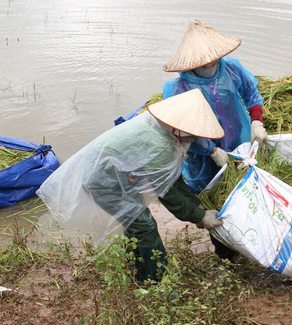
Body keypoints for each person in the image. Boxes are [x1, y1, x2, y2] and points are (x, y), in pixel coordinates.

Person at [37, 88, 226, 283]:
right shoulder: (160, 144)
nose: (194, 139)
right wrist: (200, 216)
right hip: (104, 182)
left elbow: (170, 178)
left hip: (120, 175)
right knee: (144, 227)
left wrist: (195, 207)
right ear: (180, 128)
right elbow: (167, 192)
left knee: (135, 226)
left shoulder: (157, 126)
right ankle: (158, 283)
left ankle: (139, 275)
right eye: (193, 135)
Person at [162, 20, 266, 261]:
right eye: (202, 60)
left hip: (239, 142)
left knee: (244, 190)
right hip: (203, 157)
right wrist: (211, 151)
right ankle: (227, 253)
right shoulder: (177, 87)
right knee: (216, 200)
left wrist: (256, 120)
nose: (209, 63)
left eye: (213, 58)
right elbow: (180, 129)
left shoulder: (231, 68)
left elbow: (251, 93)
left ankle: (251, 239)